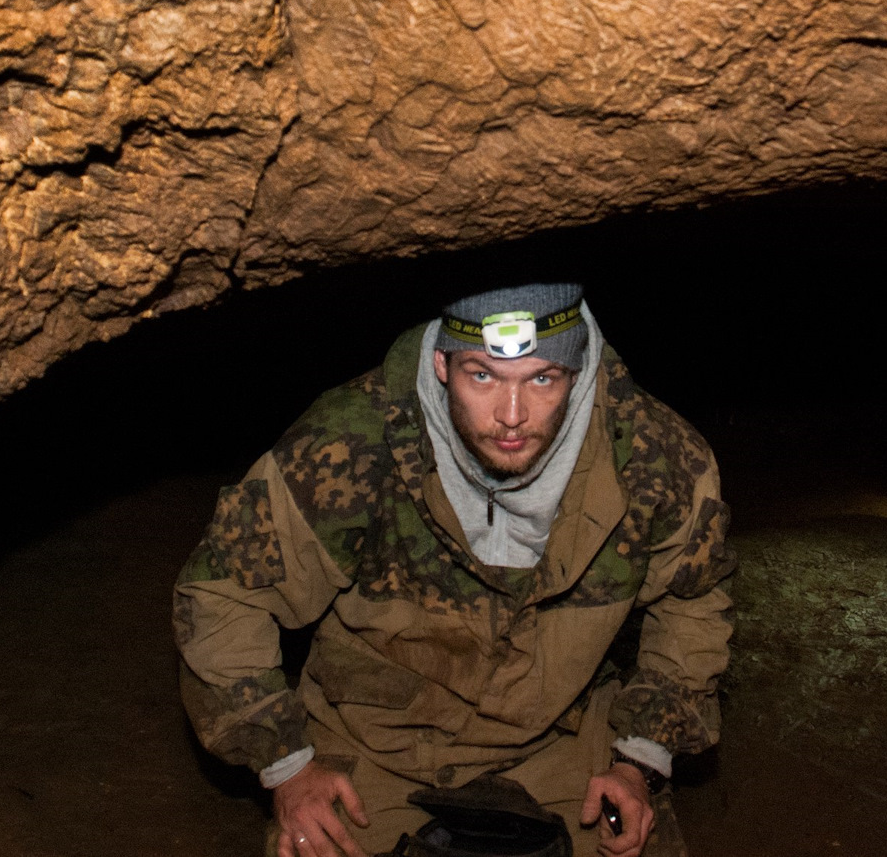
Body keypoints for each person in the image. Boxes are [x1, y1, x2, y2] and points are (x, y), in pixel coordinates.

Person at [175, 284, 734, 857]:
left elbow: (695, 604)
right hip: (375, 740)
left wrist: (640, 759)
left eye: (543, 379)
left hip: (561, 737)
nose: (511, 416)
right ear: (442, 363)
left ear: (579, 364)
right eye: (483, 376)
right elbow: (224, 595)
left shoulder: (653, 455)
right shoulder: (349, 440)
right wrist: (288, 768)